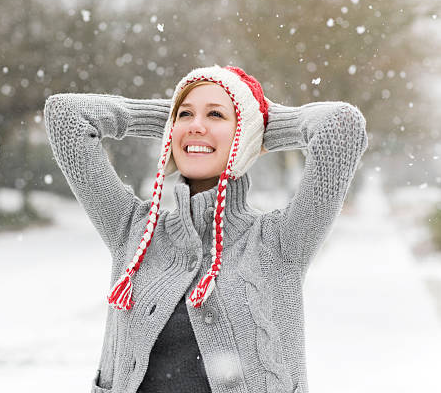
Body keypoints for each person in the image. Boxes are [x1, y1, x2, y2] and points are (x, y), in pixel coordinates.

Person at [44, 64, 368, 393]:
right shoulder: (133, 230)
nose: (196, 125)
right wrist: (172, 120)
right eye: (185, 114)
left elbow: (340, 126)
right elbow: (65, 115)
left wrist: (257, 123)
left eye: (215, 115)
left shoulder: (280, 242)